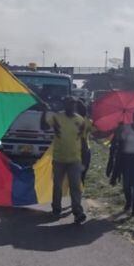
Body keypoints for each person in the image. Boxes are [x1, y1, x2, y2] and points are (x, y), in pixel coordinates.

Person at [42, 96, 89, 224]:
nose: (71, 106)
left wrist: (84, 160)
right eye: (69, 104)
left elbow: (83, 140)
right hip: (59, 159)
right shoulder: (56, 117)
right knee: (57, 186)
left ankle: (78, 212)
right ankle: (56, 209)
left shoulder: (80, 120)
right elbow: (44, 127)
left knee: (75, 186)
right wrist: (44, 112)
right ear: (65, 105)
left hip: (75, 159)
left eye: (73, 104)